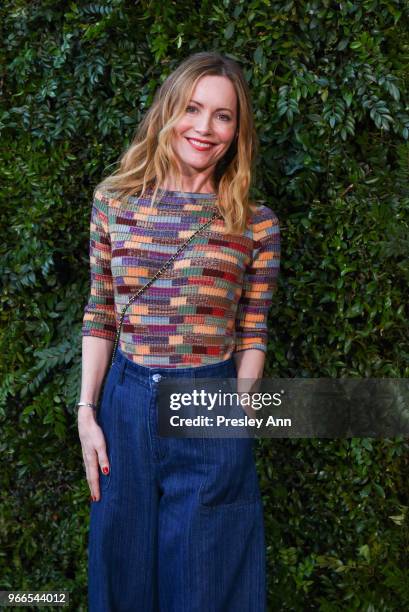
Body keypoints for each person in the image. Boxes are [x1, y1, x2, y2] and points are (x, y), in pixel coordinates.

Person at [77, 50, 280, 612]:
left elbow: (253, 327)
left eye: (223, 115)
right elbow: (101, 310)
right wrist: (86, 412)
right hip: (125, 405)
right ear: (168, 112)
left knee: (207, 584)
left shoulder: (254, 222)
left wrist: (236, 418)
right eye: (193, 108)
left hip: (208, 402)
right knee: (124, 581)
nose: (205, 127)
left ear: (238, 131)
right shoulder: (114, 203)